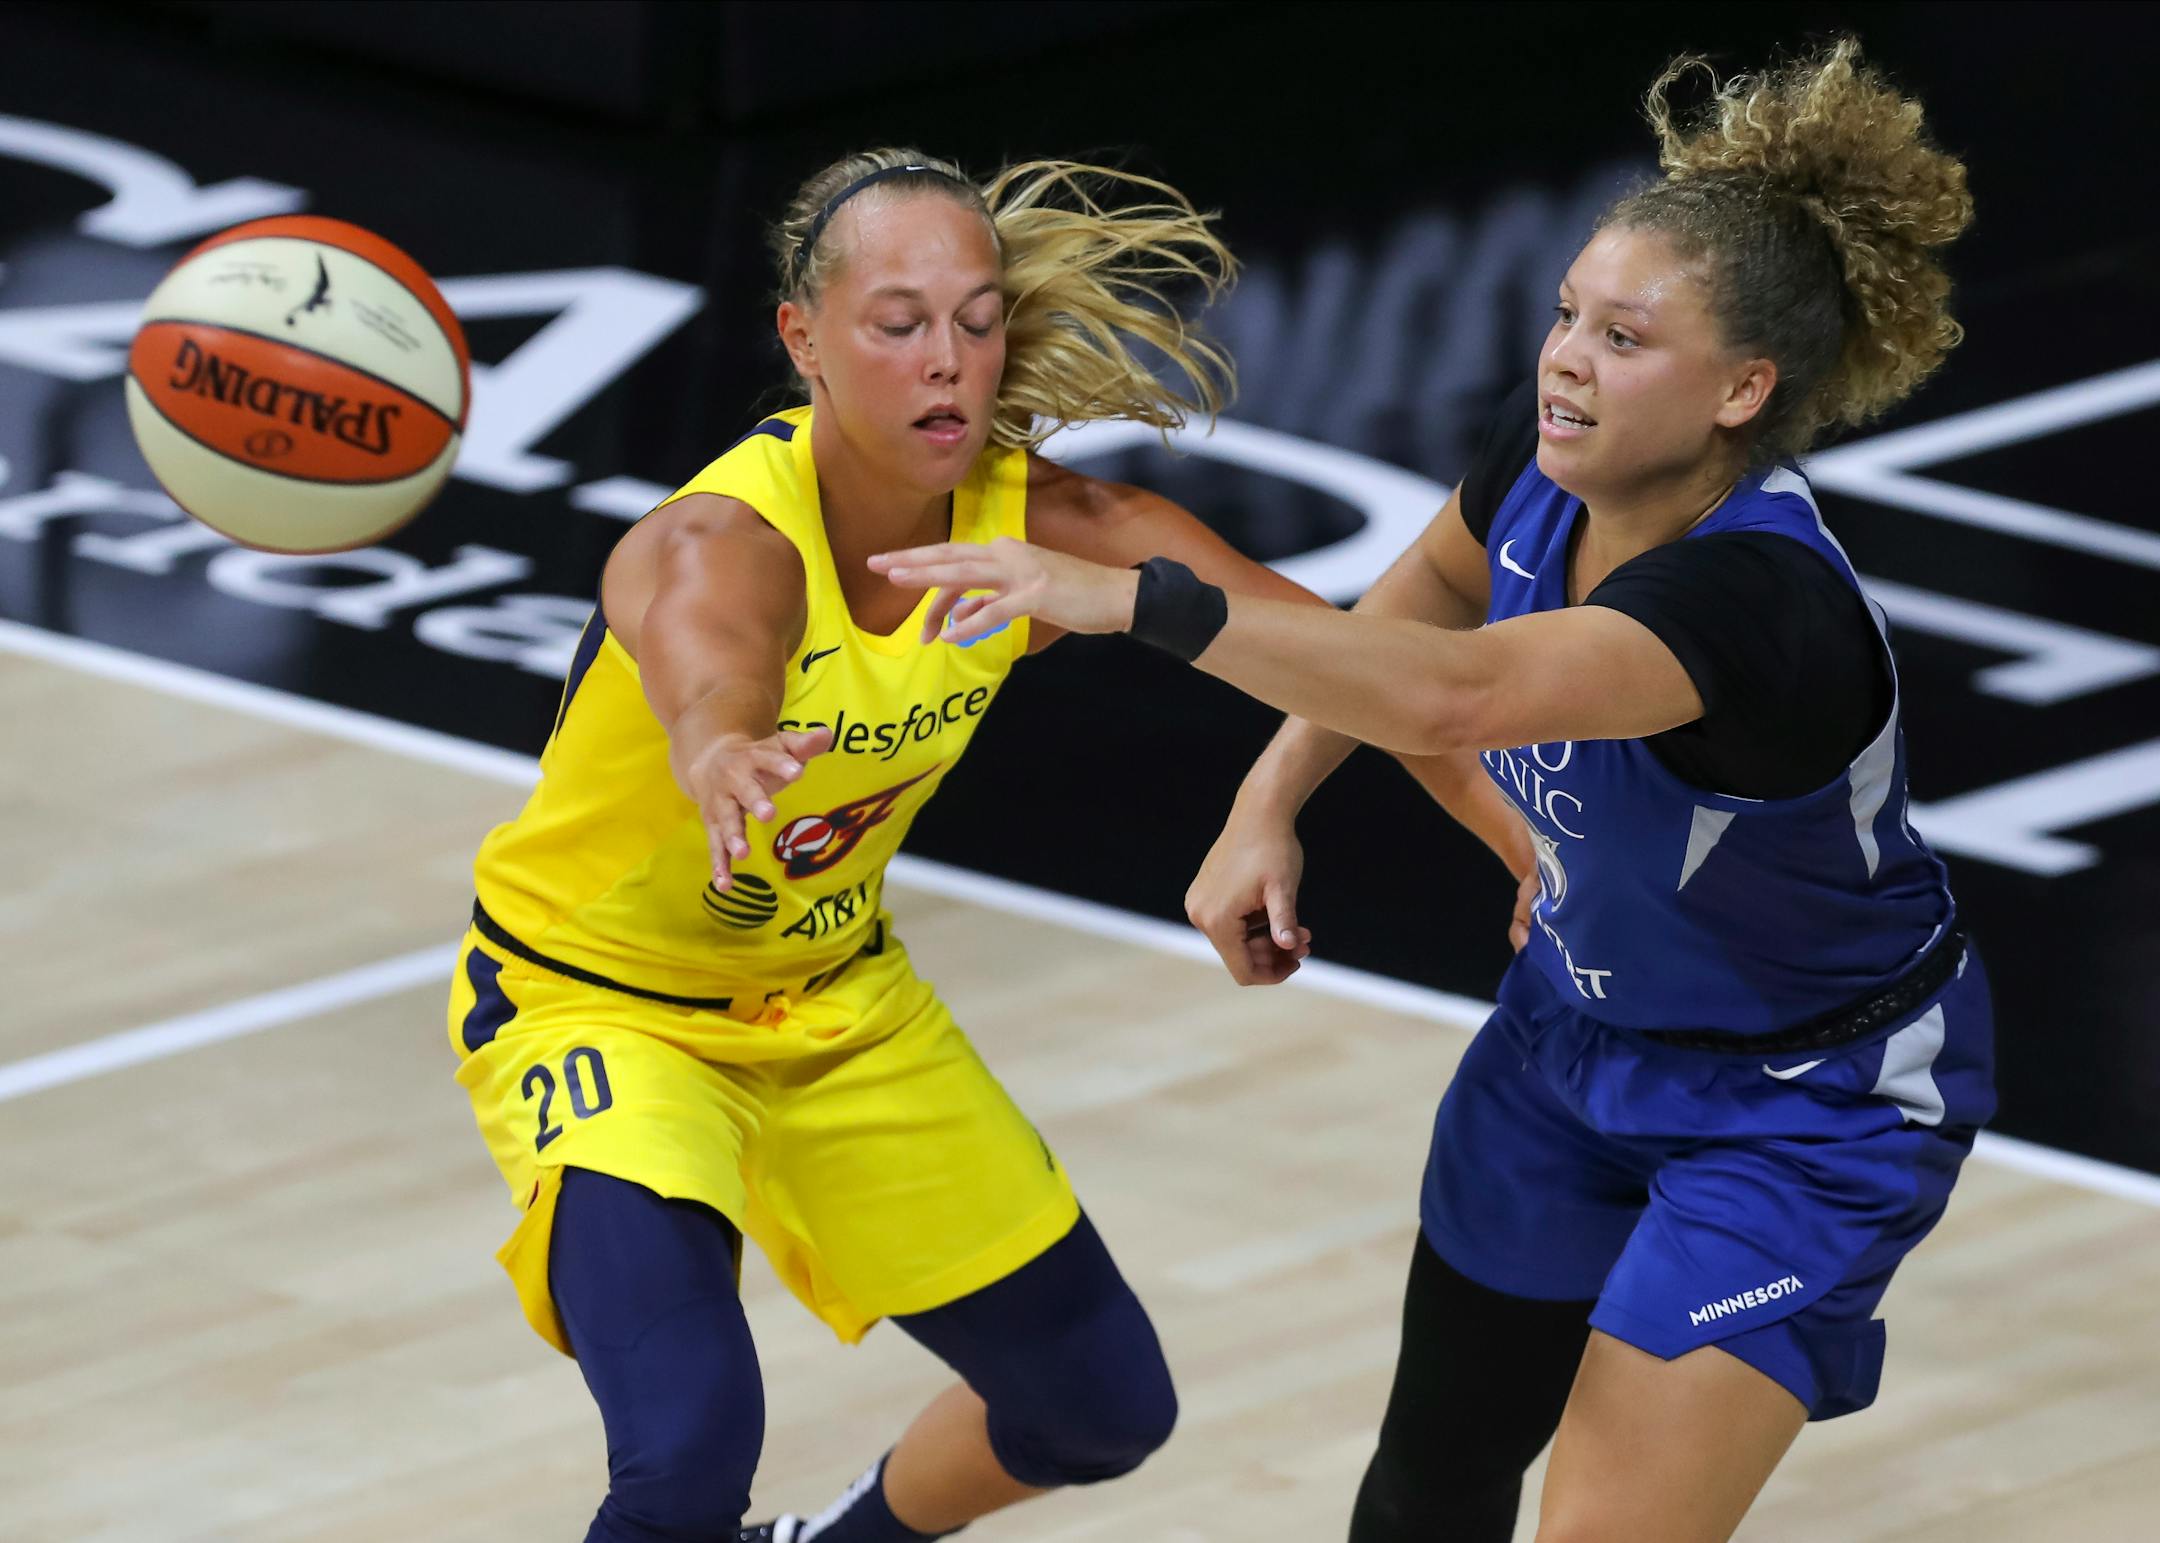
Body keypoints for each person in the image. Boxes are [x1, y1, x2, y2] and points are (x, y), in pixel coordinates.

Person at [870, 40, 1991, 1543]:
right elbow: (1401, 619)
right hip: (1569, 1045)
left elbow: (1453, 695)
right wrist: (1266, 803)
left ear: (1744, 387)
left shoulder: (1756, 607)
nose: (1569, 360)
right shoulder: (1546, 473)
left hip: (1803, 1105)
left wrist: (1129, 599)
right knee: (1434, 1473)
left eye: (1626, 338)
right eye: (1568, 315)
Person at [445, 147, 1514, 1543]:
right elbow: (715, 670)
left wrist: (1517, 845)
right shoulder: (720, 543)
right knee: (686, 1457)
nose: (947, 361)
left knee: (1096, 1404)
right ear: (804, 340)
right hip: (599, 1008)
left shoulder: (1058, 535)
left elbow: (1355, 667)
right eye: (898, 324)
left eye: (975, 318)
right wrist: (720, 749)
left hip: (837, 1004)